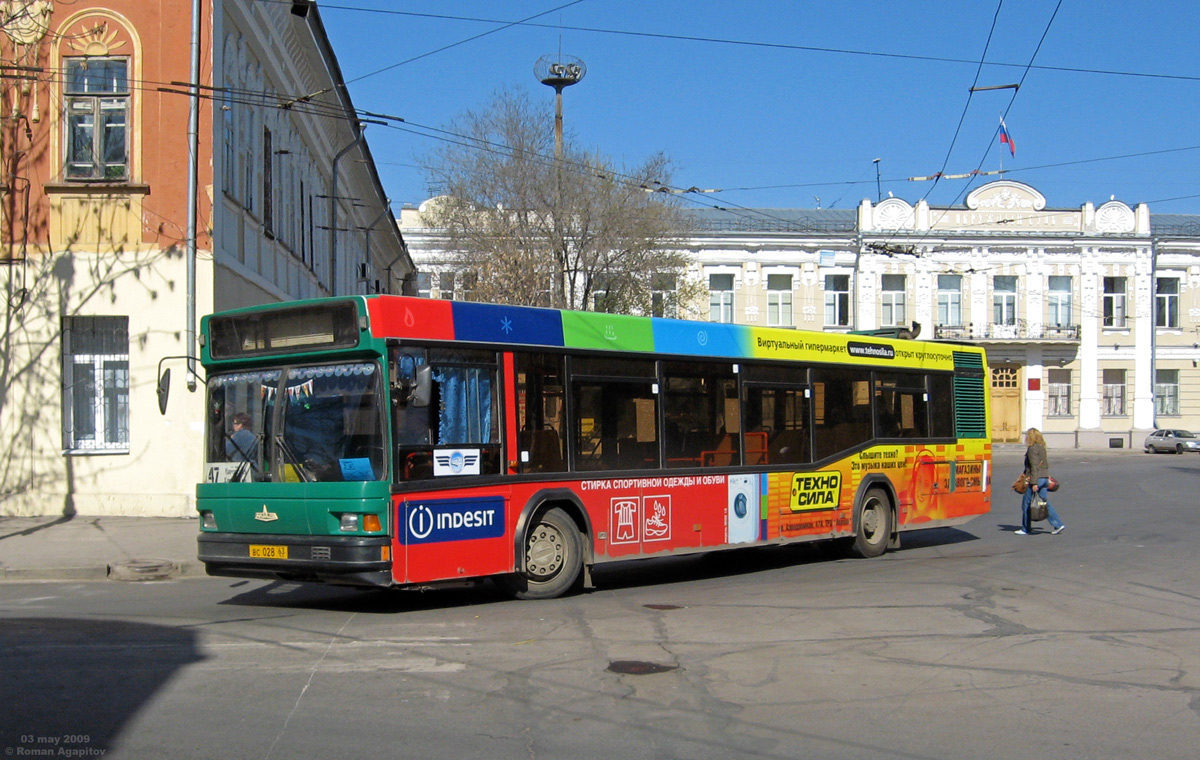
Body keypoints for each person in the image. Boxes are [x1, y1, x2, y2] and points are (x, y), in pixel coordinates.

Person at [1017, 427, 1065, 535]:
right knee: (1043, 503)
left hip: (1036, 479)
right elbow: (1045, 464)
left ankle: (1026, 528)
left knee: (1026, 504)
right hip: (1044, 479)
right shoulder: (1042, 448)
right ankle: (1058, 524)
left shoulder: (1032, 449)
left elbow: (1034, 466)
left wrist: (1033, 483)